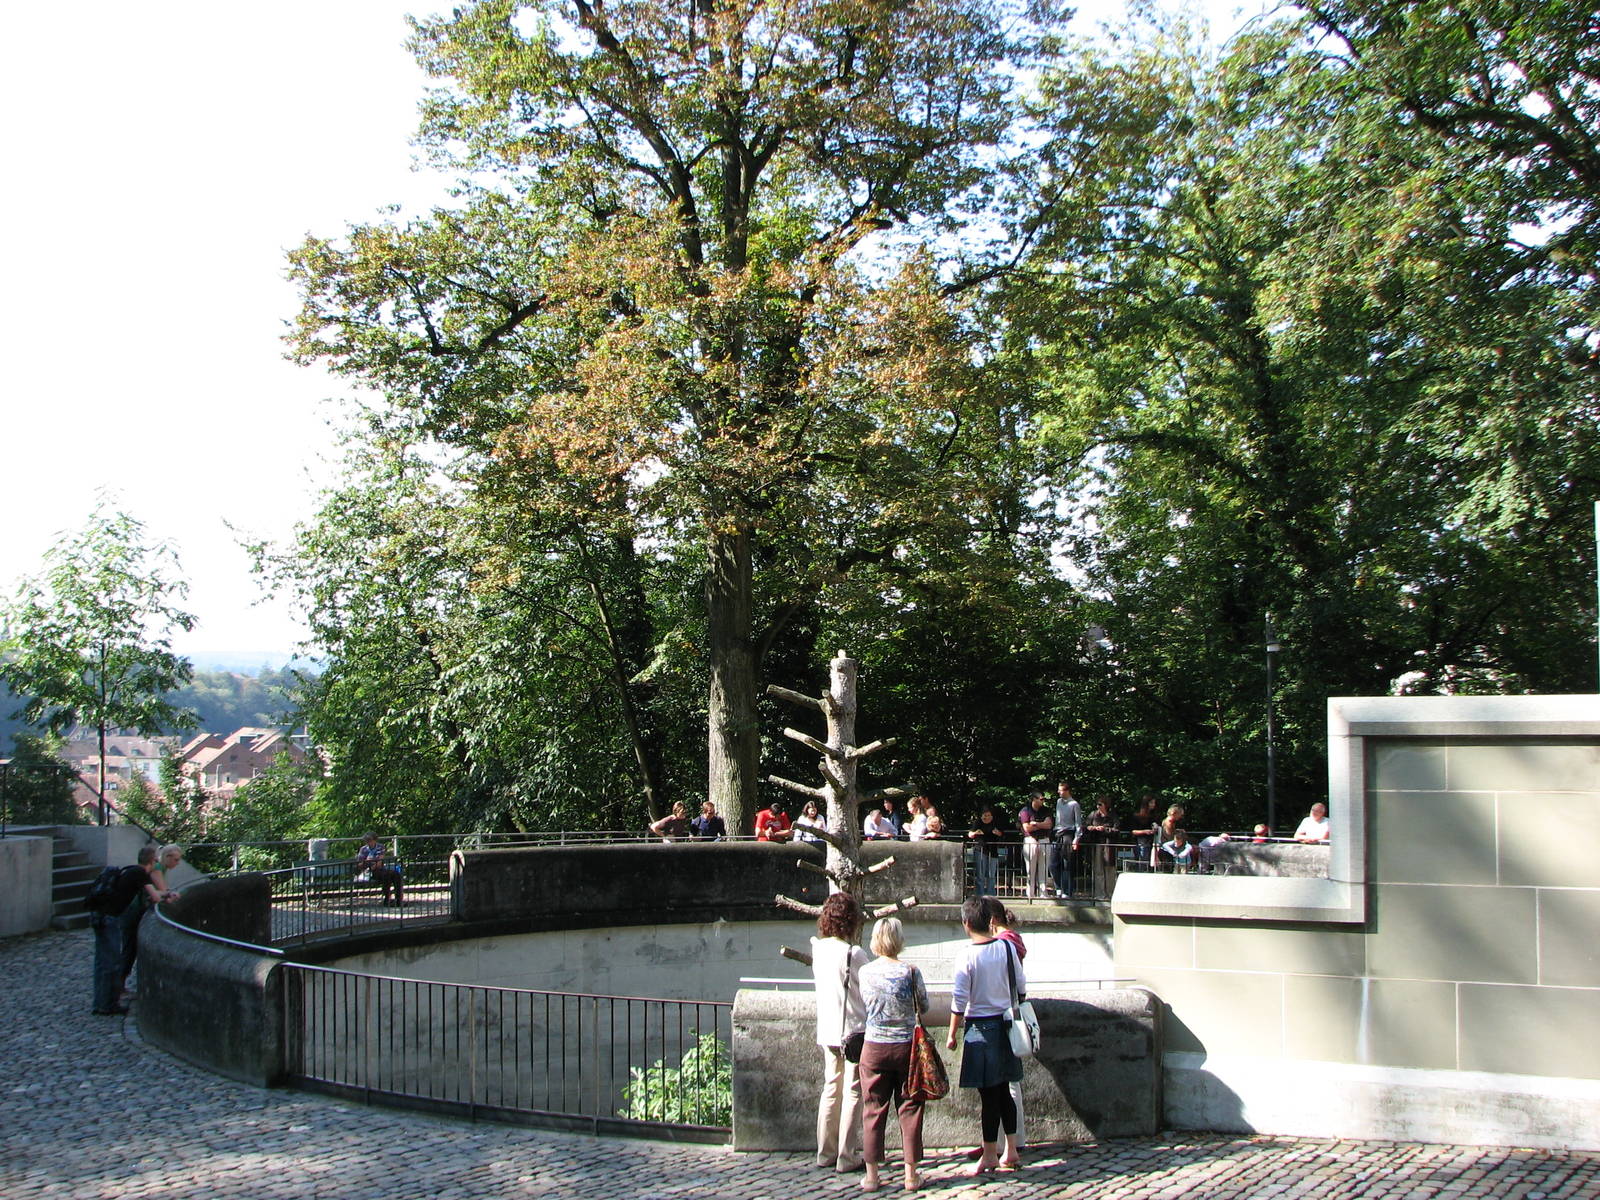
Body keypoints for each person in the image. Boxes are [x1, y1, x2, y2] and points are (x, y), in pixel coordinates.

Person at [946, 897, 1023, 1174]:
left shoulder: (967, 955)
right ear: (989, 921)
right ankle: (1011, 1149)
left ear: (966, 923)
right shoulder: (1005, 947)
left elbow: (959, 1000)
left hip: (979, 1028)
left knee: (989, 1096)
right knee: (1004, 1091)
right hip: (1005, 1025)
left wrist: (952, 1033)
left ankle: (990, 1153)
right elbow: (1021, 986)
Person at [858, 917, 930, 1193]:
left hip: (874, 1046)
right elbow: (923, 1005)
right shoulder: (910, 971)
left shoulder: (865, 972)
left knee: (873, 1109)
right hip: (906, 1047)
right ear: (899, 940)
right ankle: (911, 1174)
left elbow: (863, 1004)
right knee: (910, 1107)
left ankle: (872, 1175)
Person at [811, 892, 868, 1173]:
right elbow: (869, 990)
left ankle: (825, 1151)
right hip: (853, 1031)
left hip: (828, 1028)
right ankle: (847, 1155)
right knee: (853, 1091)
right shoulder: (853, 953)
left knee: (831, 1088)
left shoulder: (818, 949)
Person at [90, 845, 166, 1016]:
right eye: (156, 861)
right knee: (111, 961)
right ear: (152, 860)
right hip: (109, 918)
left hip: (100, 915)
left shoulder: (130, 870)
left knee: (102, 962)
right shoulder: (140, 874)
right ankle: (107, 1004)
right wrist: (168, 895)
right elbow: (155, 896)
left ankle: (101, 1002)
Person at [121, 844, 182, 998]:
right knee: (129, 949)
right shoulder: (156, 870)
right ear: (166, 857)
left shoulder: (158, 869)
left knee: (130, 949)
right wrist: (169, 895)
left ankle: (119, 984)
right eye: (176, 859)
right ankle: (118, 984)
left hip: (133, 912)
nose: (178, 863)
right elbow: (160, 892)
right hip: (133, 913)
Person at [1017, 794, 1054, 899]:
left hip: (1044, 840)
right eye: (1041, 799)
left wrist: (1035, 824)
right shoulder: (1025, 811)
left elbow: (1049, 824)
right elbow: (1027, 828)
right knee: (1030, 868)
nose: (1042, 801)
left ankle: (1043, 893)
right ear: (1034, 799)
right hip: (1030, 840)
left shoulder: (1046, 810)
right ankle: (1030, 894)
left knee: (1044, 867)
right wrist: (1041, 824)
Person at [1050, 782, 1082, 898]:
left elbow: (1078, 823)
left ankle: (1067, 891)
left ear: (1067, 791)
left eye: (1061, 790)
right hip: (1057, 834)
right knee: (1053, 864)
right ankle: (1059, 887)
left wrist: (1076, 839)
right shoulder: (1058, 802)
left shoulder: (1074, 804)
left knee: (1067, 864)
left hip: (1068, 834)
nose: (1059, 792)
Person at [1083, 795, 1119, 897]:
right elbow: (1085, 826)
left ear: (1106, 805)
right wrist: (1092, 828)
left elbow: (1116, 830)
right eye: (1097, 804)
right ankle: (1099, 894)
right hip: (1097, 843)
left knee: (1109, 870)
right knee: (1098, 869)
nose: (1098, 806)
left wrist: (1105, 829)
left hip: (1108, 845)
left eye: (1100, 804)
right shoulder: (1093, 815)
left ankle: (1110, 894)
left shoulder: (1113, 816)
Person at [356, 832, 404, 905]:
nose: (368, 842)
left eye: (370, 840)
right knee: (386, 875)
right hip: (368, 872)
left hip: (379, 869)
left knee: (395, 874)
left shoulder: (380, 847)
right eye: (367, 840)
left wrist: (372, 865)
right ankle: (387, 899)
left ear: (375, 840)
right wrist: (366, 862)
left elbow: (379, 861)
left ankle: (398, 899)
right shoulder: (363, 850)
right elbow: (359, 864)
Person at [967, 805, 1005, 896]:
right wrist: (975, 833)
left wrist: (998, 833)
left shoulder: (995, 822)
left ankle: (990, 895)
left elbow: (1002, 834)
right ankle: (980, 895)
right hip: (980, 850)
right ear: (981, 816)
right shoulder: (978, 822)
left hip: (993, 851)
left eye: (988, 815)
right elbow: (970, 834)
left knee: (991, 875)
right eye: (985, 815)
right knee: (980, 875)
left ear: (991, 816)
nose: (987, 817)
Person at [1127, 795, 1160, 868]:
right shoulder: (1137, 816)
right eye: (1151, 803)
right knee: (1142, 862)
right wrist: (1144, 831)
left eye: (1154, 803)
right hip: (1140, 842)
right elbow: (1133, 831)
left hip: (1152, 843)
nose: (1153, 805)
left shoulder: (1154, 815)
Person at [1152, 804, 1186, 869]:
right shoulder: (1169, 822)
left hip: (1166, 849)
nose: (1180, 817)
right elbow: (1169, 835)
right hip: (1167, 850)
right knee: (1168, 870)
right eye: (1180, 814)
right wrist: (1179, 833)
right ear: (1174, 813)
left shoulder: (1168, 821)